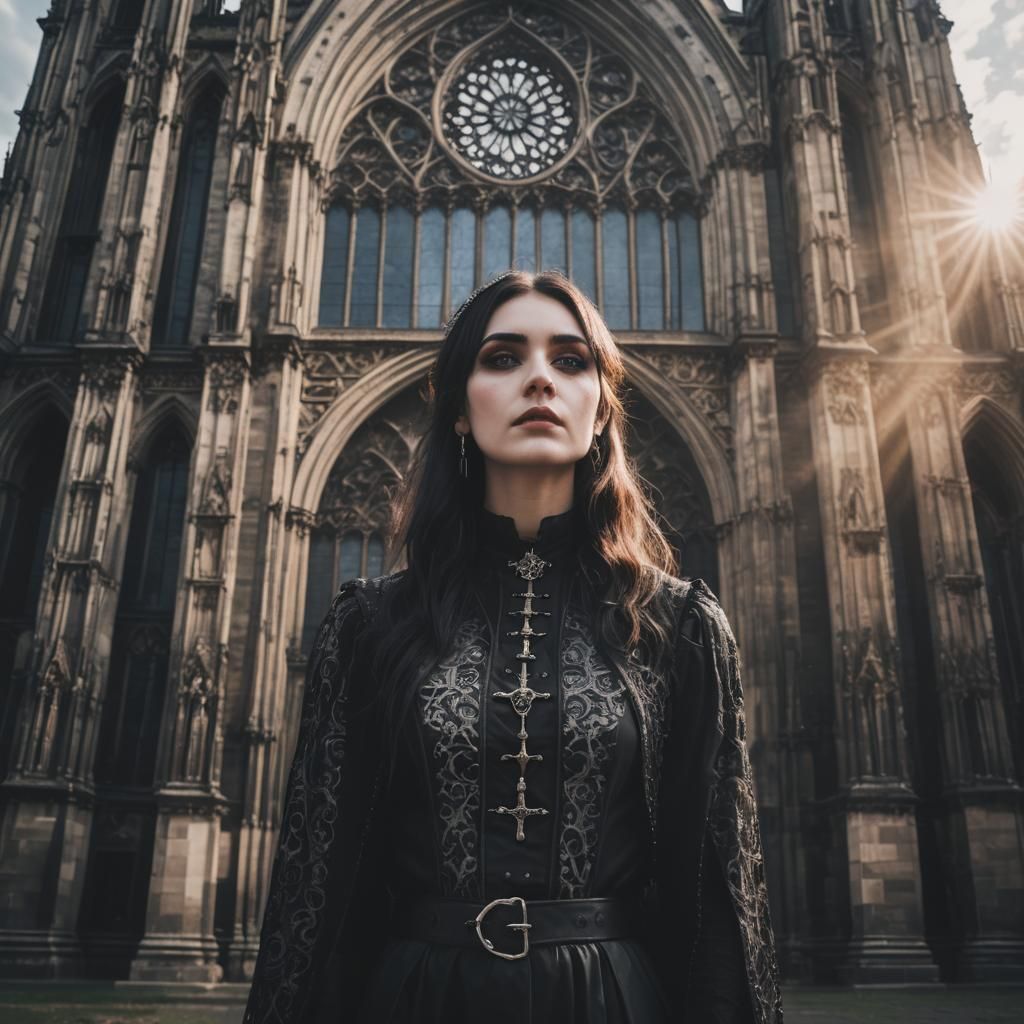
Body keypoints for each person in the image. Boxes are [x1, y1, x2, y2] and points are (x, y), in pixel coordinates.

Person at [242, 269, 784, 1023]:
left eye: (570, 360)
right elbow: (323, 902)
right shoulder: (370, 627)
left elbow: (717, 908)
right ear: (459, 409)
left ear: (602, 412)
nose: (539, 378)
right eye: (502, 358)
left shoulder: (680, 626)